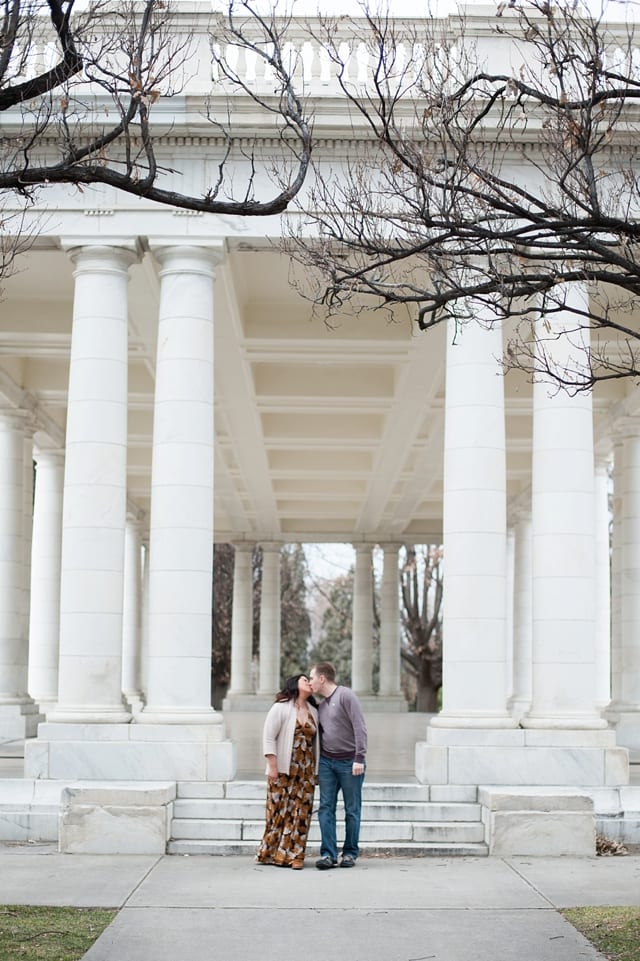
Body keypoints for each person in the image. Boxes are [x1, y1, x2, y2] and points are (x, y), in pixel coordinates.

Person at [255, 674, 319, 870]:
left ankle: (296, 856)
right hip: (282, 768)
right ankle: (272, 852)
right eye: (304, 680)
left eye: (310, 680)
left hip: (306, 771)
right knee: (279, 812)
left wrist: (316, 772)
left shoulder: (314, 711)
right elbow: (268, 738)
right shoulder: (280, 707)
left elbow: (316, 743)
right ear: (294, 685)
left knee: (302, 813)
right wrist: (272, 766)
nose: (309, 682)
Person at [309, 661, 367, 870]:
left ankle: (350, 853)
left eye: (312, 678)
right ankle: (328, 855)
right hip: (327, 763)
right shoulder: (321, 706)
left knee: (352, 810)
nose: (310, 682)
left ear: (322, 678)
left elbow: (360, 728)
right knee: (326, 808)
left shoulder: (346, 695)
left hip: (350, 763)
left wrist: (359, 758)